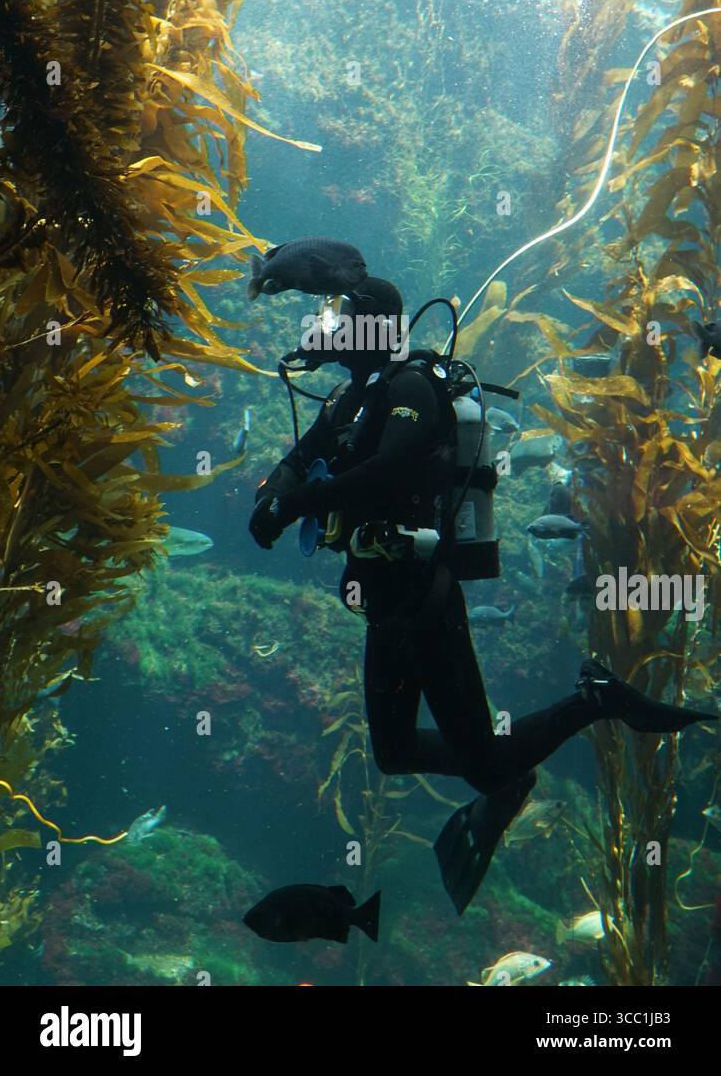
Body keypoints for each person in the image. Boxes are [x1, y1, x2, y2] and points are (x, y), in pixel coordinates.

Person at [249, 276, 716, 914]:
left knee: (489, 770)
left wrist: (297, 502)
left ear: (370, 328)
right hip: (383, 601)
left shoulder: (412, 391)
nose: (328, 328)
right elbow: (301, 458)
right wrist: (274, 495)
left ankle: (592, 701)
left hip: (424, 597)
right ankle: (508, 764)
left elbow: (384, 470)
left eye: (339, 316)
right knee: (393, 751)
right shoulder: (349, 399)